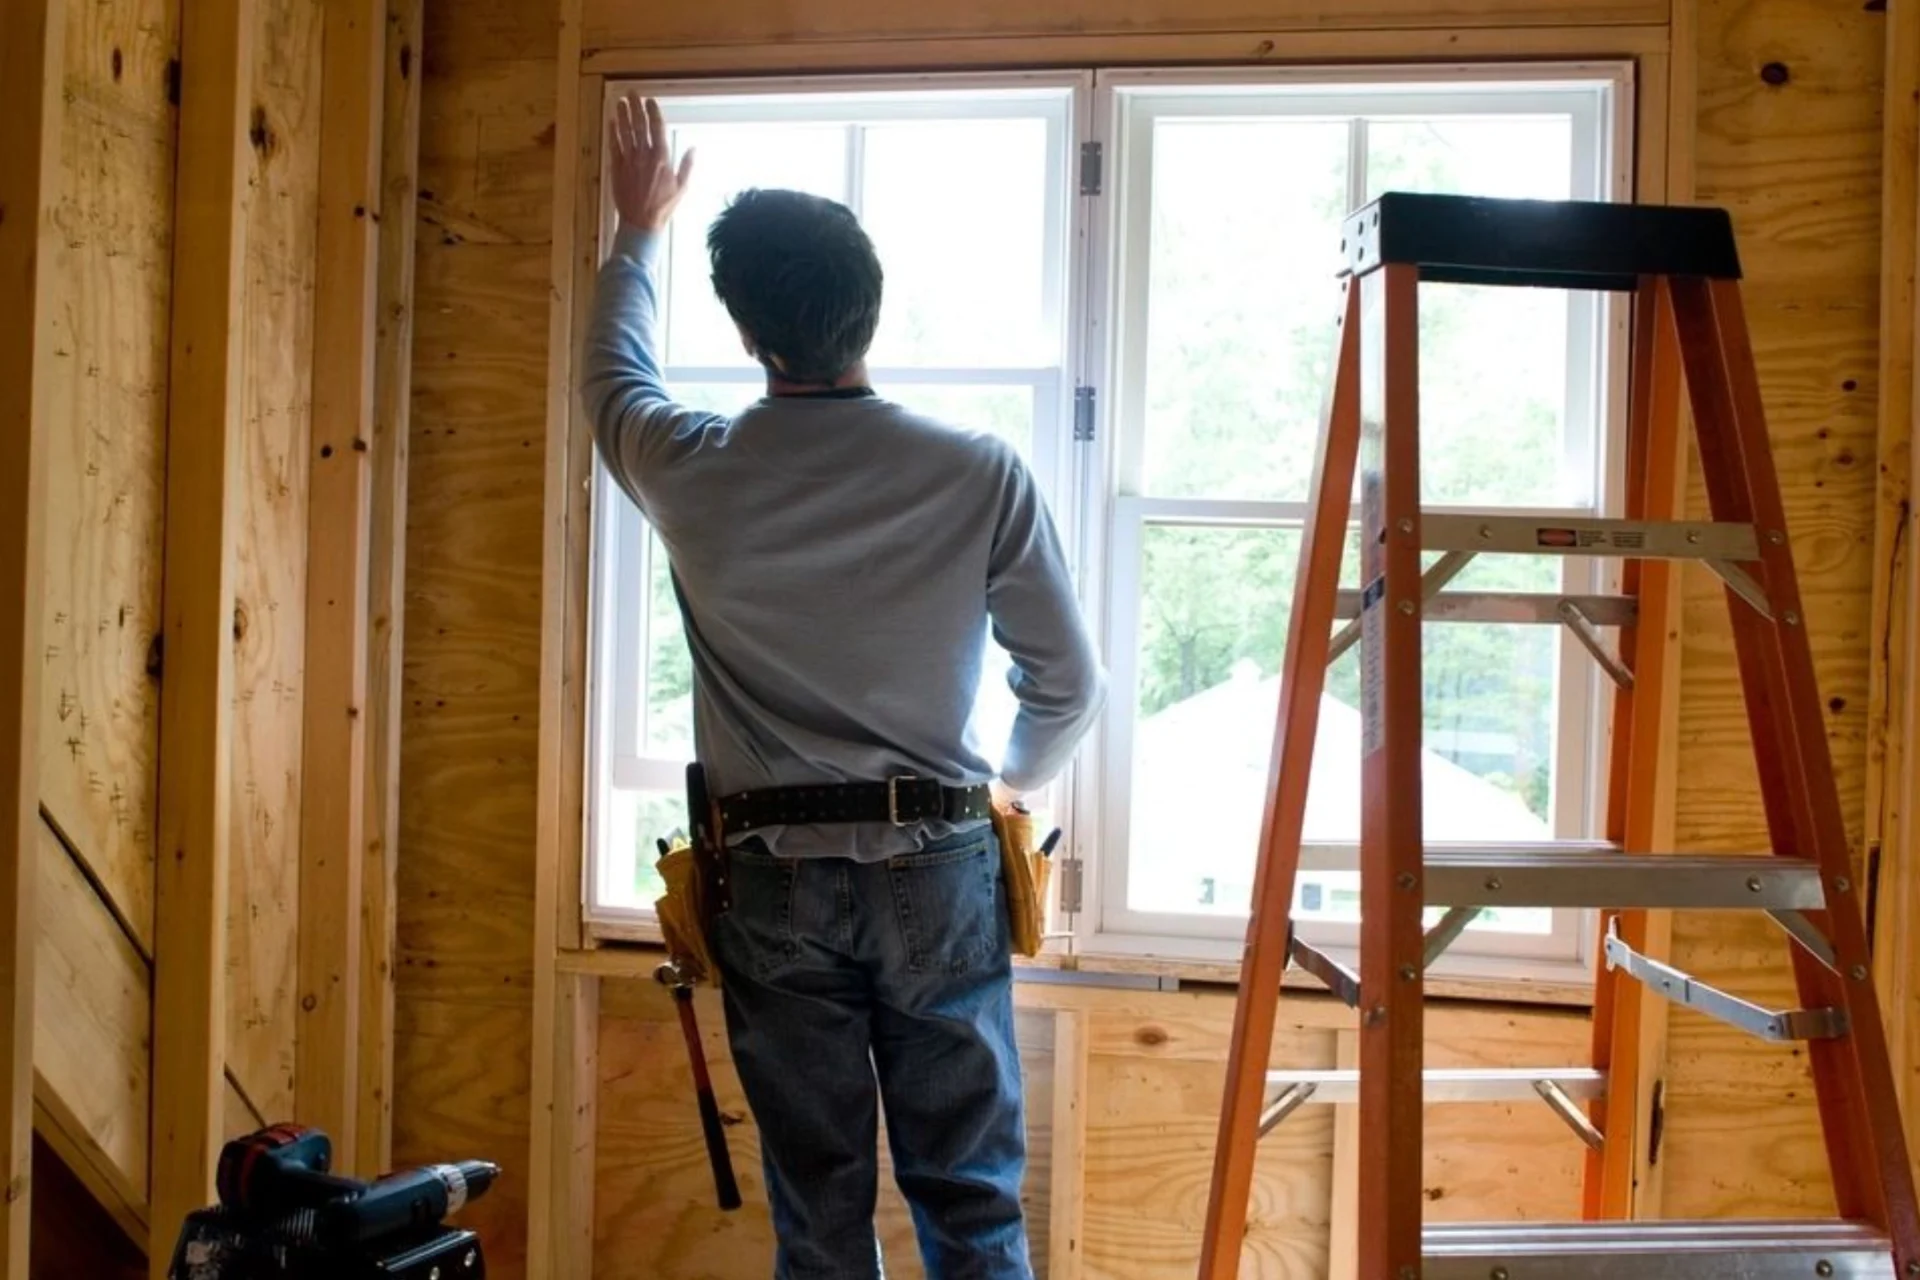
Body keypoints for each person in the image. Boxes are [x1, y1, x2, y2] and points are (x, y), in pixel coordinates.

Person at [582, 94, 1105, 1279]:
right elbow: (1068, 684)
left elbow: (612, 377)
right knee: (973, 1208)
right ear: (869, 308)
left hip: (772, 879)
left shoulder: (691, 470)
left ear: (753, 333)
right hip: (940, 861)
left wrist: (638, 230)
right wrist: (1009, 787)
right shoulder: (978, 472)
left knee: (817, 1222)